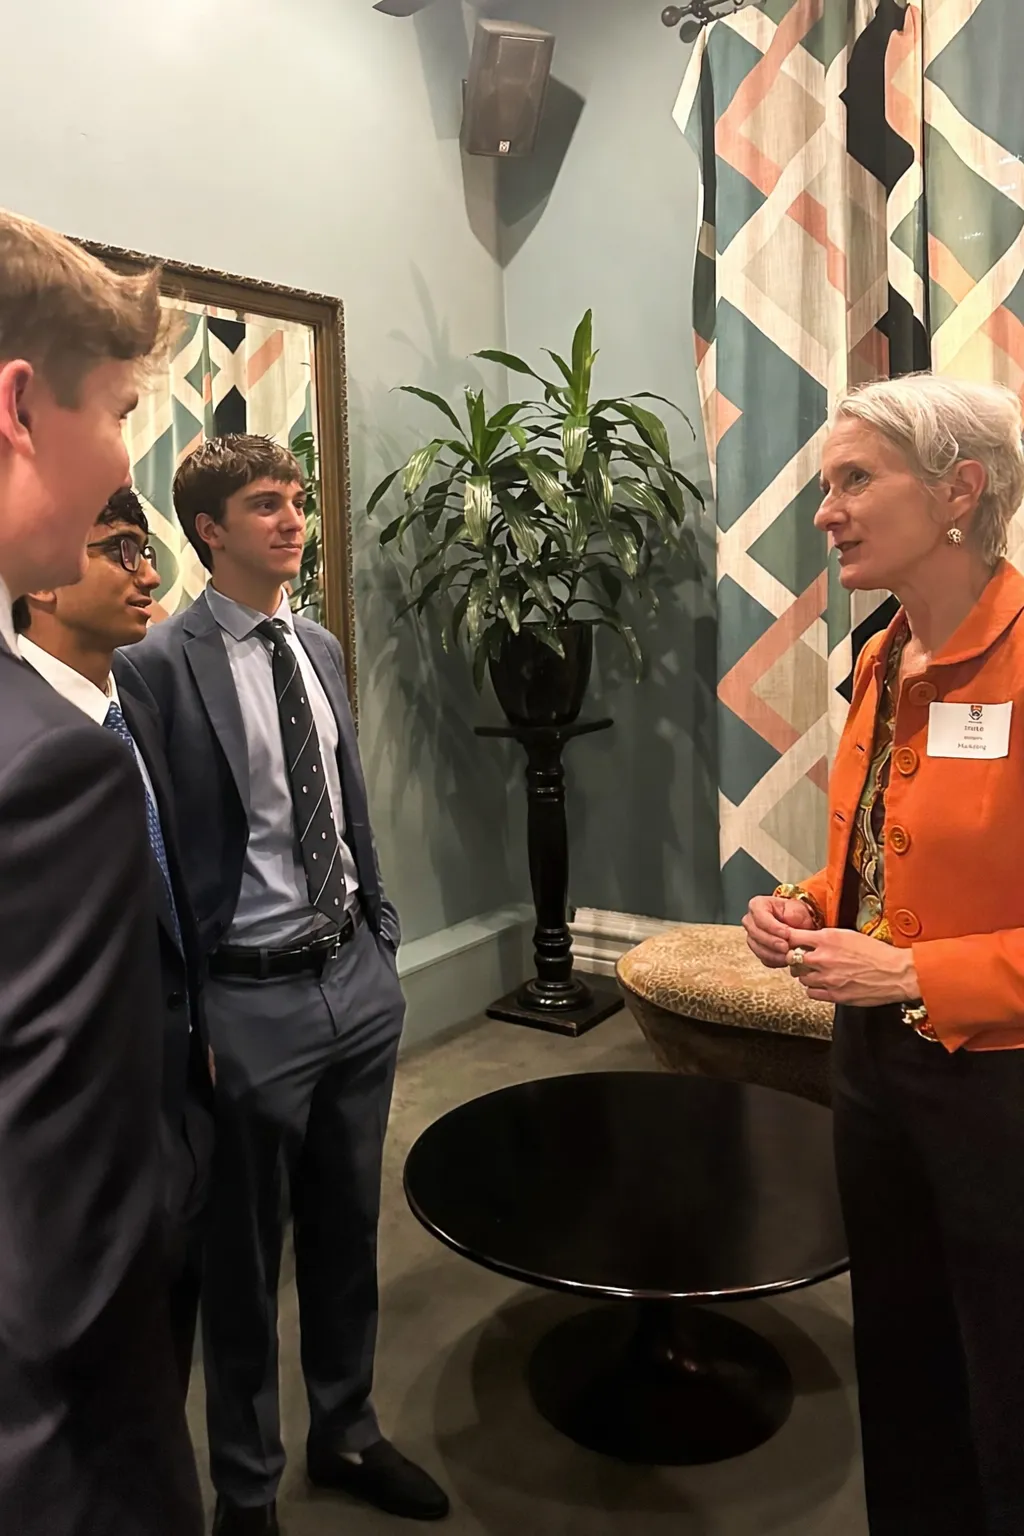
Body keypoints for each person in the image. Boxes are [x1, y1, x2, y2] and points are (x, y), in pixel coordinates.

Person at [120, 434, 449, 1534]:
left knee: (348, 1228)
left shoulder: (317, 644)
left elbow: (345, 804)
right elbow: (155, 855)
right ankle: (248, 1489)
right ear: (209, 530)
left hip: (353, 977)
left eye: (297, 499)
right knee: (243, 1263)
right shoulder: (156, 667)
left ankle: (346, 1429)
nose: (293, 520)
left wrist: (381, 940)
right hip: (246, 1001)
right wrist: (196, 1016)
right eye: (265, 504)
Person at [743, 374, 1024, 1536]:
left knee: (1005, 1371)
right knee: (903, 1353)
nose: (825, 512)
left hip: (998, 1085)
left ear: (959, 492)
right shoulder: (881, 655)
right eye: (826, 485)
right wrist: (800, 906)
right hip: (870, 1068)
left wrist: (915, 974)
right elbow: (875, 864)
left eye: (855, 480)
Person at [0, 210, 203, 1533]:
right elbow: (69, 1270)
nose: (127, 464)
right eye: (122, 411)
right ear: (21, 407)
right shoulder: (47, 768)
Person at [13, 485, 216, 1393]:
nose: (148, 576)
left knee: (168, 1363)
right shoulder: (23, 740)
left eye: (146, 551)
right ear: (45, 579)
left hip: (177, 1111)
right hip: (78, 1149)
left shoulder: (132, 701)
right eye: (122, 550)